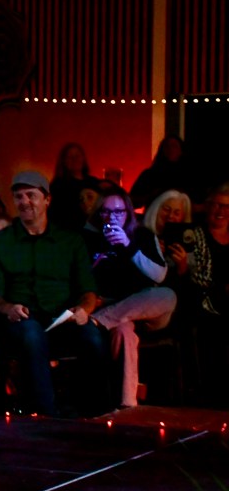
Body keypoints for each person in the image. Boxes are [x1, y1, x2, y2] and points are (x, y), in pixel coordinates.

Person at [0, 171, 107, 416]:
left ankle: (95, 412)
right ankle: (46, 414)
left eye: (31, 195)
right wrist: (7, 307)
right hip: (19, 322)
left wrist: (84, 310)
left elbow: (88, 289)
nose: (24, 202)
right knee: (31, 333)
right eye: (18, 197)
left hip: (61, 320)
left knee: (93, 336)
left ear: (47, 199)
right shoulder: (0, 242)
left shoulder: (70, 241)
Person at [82, 187, 176, 408]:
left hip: (142, 307)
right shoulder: (89, 238)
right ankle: (126, 406)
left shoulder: (143, 236)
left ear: (128, 212)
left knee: (168, 295)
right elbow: (82, 277)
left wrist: (128, 246)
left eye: (118, 211)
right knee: (123, 331)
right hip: (111, 307)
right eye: (106, 211)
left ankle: (98, 322)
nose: (112, 217)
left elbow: (159, 275)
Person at [171, 183, 229, 405]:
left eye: (226, 206)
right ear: (207, 206)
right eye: (216, 205)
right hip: (201, 300)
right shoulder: (193, 235)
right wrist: (183, 268)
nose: (220, 211)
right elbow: (185, 280)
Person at [49, 142, 101, 230]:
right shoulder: (58, 185)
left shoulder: (94, 182)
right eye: (70, 157)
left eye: (77, 155)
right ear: (63, 161)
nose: (74, 159)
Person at [130, 136, 190, 210]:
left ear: (181, 151)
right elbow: (132, 201)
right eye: (167, 146)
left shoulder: (189, 176)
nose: (170, 149)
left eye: (174, 146)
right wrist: (153, 196)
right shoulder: (149, 175)